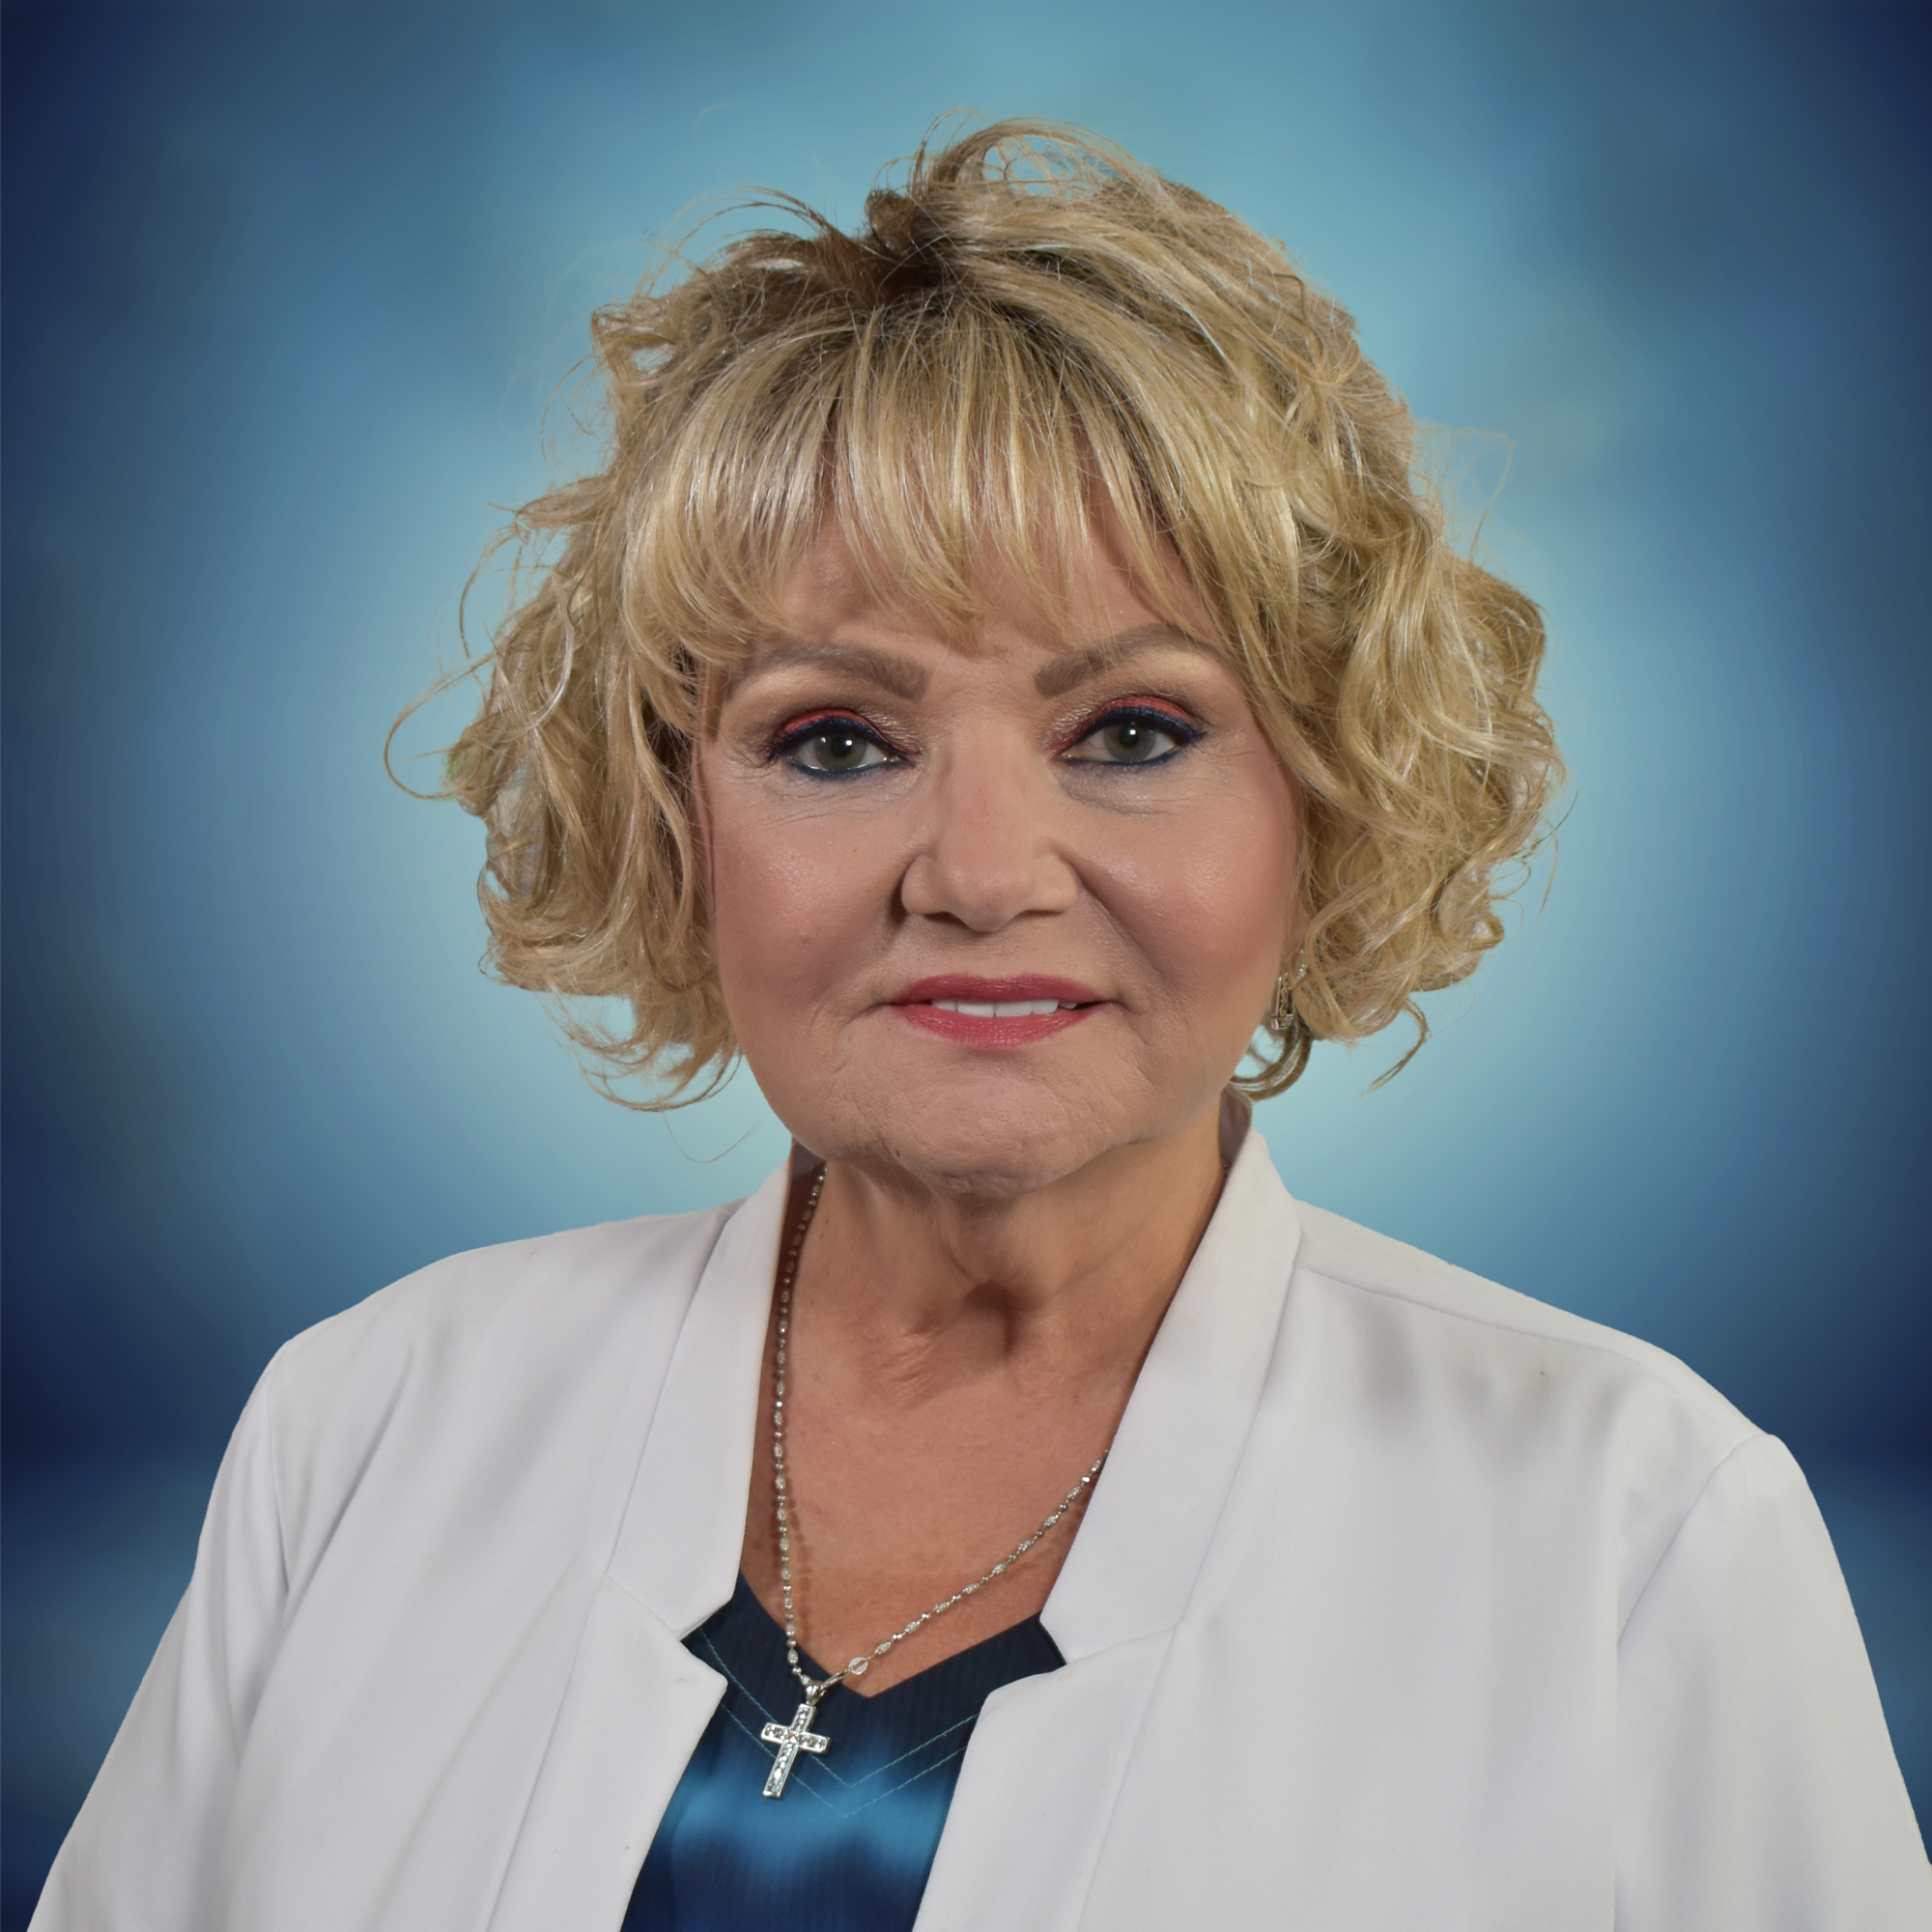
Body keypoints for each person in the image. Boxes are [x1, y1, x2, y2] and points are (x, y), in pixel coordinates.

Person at [33, 122, 1928, 1932]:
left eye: (1132, 732)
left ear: (1327, 794)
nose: (980, 870)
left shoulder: (1634, 1530)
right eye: (835, 741)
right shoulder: (370, 1424)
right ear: (671, 814)